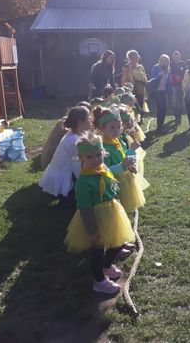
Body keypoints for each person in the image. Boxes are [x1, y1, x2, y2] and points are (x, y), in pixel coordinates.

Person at [64, 134, 135, 294]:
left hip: (112, 213)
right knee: (97, 251)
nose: (95, 160)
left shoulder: (104, 170)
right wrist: (91, 230)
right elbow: (85, 208)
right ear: (81, 158)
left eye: (98, 155)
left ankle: (106, 265)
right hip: (95, 218)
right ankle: (99, 281)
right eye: (89, 157)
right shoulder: (83, 182)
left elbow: (111, 186)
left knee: (117, 243)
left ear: (103, 153)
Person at [92, 106, 147, 213]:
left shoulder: (118, 141)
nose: (116, 131)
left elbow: (123, 157)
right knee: (117, 207)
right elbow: (105, 170)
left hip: (124, 177)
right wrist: (122, 166)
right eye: (112, 127)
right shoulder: (103, 148)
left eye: (118, 127)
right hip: (113, 182)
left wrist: (130, 159)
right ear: (101, 128)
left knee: (125, 205)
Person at [39, 106, 91, 198]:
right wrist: (85, 182)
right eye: (88, 118)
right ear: (80, 122)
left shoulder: (75, 133)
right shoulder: (73, 142)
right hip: (63, 177)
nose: (90, 120)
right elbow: (77, 167)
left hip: (66, 172)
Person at [40, 101, 91, 170]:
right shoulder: (73, 139)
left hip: (47, 163)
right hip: (52, 166)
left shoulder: (71, 126)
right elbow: (79, 167)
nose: (91, 119)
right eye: (88, 117)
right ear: (80, 120)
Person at [120, 50, 148, 122]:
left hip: (141, 88)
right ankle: (132, 120)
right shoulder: (126, 66)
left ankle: (140, 119)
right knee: (132, 105)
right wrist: (124, 89)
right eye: (133, 58)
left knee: (141, 103)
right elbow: (123, 79)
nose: (135, 59)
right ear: (129, 58)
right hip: (131, 89)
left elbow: (145, 77)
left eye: (136, 57)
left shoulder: (140, 66)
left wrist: (145, 82)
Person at [150, 54, 172, 132]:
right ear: (160, 60)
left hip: (164, 91)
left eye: (166, 61)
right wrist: (160, 74)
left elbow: (169, 81)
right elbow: (152, 79)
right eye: (163, 60)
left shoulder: (168, 69)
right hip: (157, 91)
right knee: (160, 108)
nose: (164, 62)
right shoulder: (155, 68)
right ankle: (159, 127)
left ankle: (161, 125)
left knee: (164, 108)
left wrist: (170, 91)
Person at [170, 51, 186, 124]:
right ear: (173, 57)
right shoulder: (170, 64)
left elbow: (185, 72)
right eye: (174, 56)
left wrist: (181, 78)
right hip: (173, 85)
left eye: (177, 56)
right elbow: (169, 73)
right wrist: (174, 77)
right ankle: (176, 116)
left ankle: (179, 115)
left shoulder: (183, 63)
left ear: (180, 56)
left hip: (182, 84)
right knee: (175, 101)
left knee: (181, 101)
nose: (176, 57)